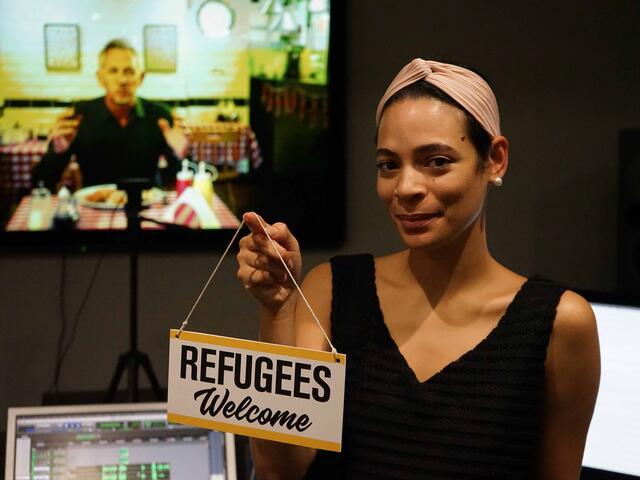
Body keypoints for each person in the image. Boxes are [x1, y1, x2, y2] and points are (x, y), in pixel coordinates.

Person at [236, 59, 600, 479]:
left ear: (495, 160)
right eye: (389, 165)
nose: (406, 188)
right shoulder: (333, 290)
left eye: (437, 161)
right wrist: (279, 309)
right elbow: (278, 469)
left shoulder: (558, 324)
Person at [31, 39, 189, 191]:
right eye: (113, 71)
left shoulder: (160, 116)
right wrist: (58, 151)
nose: (122, 80)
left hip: (147, 207)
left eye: (129, 71)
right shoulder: (80, 116)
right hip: (93, 209)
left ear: (141, 78)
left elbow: (185, 179)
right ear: (100, 78)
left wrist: (179, 154)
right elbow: (41, 182)